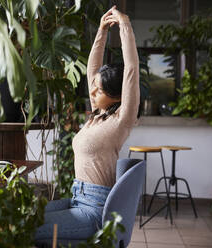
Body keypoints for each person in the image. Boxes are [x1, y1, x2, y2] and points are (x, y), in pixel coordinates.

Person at [35, 6, 140, 244]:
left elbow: (132, 70)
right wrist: (101, 30)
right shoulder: (97, 115)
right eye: (93, 86)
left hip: (94, 210)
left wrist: (125, 26)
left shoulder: (121, 120)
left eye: (99, 90)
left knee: (27, 228)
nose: (92, 92)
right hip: (76, 198)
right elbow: (93, 70)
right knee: (23, 217)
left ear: (118, 96)